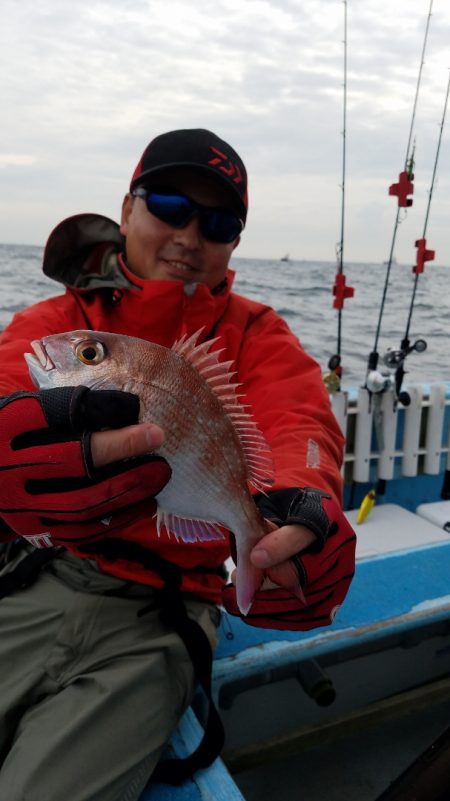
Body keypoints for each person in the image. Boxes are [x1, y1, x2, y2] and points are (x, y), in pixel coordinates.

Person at [0, 128, 356, 801]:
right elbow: (7, 388)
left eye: (218, 222)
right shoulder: (60, 325)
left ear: (234, 243)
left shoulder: (258, 334)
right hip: (31, 575)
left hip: (163, 609)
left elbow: (295, 420)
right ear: (127, 207)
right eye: (168, 203)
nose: (191, 236)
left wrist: (296, 507)